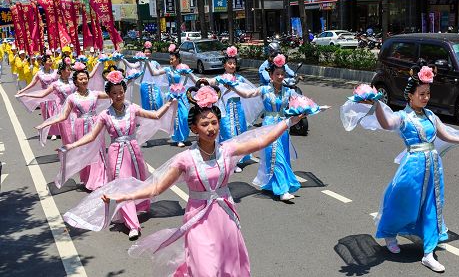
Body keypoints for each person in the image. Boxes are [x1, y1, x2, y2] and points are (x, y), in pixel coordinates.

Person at [63, 79, 305, 276]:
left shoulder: (227, 150)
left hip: (225, 218)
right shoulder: (185, 160)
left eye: (214, 123)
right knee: (206, 269)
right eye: (205, 124)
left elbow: (260, 140)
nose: (211, 128)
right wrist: (122, 194)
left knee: (230, 266)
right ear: (193, 128)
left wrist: (290, 120)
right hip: (198, 220)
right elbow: (155, 187)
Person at [339, 61, 459, 273]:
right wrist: (376, 106)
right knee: (402, 202)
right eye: (421, 94)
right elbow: (387, 124)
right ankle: (390, 233)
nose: (425, 97)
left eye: (428, 93)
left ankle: (429, 253)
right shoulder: (402, 117)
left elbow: (445, 134)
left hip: (433, 167)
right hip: (412, 167)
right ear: (410, 96)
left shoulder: (431, 116)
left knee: (432, 206)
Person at [61, 70, 177, 239]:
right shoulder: (105, 115)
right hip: (116, 153)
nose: (118, 96)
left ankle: (138, 207)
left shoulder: (132, 108)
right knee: (122, 185)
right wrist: (71, 145)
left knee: (138, 180)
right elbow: (91, 136)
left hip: (133, 150)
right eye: (114, 93)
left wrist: (169, 103)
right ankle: (132, 225)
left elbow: (156, 115)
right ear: (108, 95)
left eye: (121, 92)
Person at [230, 55, 308, 201]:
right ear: (271, 75)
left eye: (282, 74)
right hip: (269, 128)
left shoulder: (289, 91)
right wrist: (233, 86)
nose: (279, 76)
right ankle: (282, 190)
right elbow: (247, 94)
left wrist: (315, 108)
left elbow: (303, 102)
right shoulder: (264, 90)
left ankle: (273, 184)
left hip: (284, 128)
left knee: (282, 156)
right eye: (276, 74)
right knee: (276, 156)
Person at [35, 62, 109, 190]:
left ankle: (99, 179)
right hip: (81, 127)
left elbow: (112, 94)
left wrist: (123, 81)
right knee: (85, 152)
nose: (84, 80)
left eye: (85, 78)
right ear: (75, 82)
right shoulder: (72, 98)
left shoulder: (95, 94)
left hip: (95, 125)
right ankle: (87, 178)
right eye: (81, 79)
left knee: (98, 151)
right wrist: (45, 123)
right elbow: (63, 116)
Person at [214, 46, 261, 173]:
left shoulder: (239, 79)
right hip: (226, 110)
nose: (232, 66)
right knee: (228, 134)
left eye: (234, 63)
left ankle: (237, 160)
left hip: (238, 108)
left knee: (240, 133)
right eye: (229, 63)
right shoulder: (220, 79)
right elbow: (212, 86)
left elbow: (248, 91)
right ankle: (229, 160)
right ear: (224, 65)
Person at [148, 43, 194, 147]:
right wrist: (146, 62)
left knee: (185, 116)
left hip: (182, 96)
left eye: (172, 59)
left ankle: (184, 136)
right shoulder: (168, 70)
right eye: (170, 59)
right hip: (173, 96)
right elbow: (154, 73)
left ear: (178, 59)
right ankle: (178, 139)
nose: (171, 61)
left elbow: (192, 78)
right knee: (176, 116)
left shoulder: (183, 68)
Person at [17, 55, 60, 139]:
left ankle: (57, 131)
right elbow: (32, 84)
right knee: (47, 114)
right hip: (44, 96)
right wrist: (22, 90)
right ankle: (51, 132)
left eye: (51, 60)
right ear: (44, 63)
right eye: (48, 60)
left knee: (55, 113)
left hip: (55, 96)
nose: (50, 62)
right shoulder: (39, 73)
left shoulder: (55, 72)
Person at [120, 41, 164, 111]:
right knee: (146, 103)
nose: (147, 54)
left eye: (149, 52)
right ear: (143, 53)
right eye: (145, 52)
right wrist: (123, 60)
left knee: (157, 102)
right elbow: (132, 66)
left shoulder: (155, 63)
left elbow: (160, 72)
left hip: (154, 85)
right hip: (144, 85)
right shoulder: (140, 62)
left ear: (151, 53)